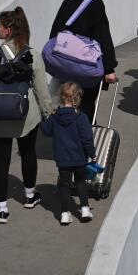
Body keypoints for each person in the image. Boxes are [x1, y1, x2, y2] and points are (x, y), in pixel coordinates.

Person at [0, 6, 53, 223]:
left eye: (0, 26)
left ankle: (2, 209)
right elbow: (41, 89)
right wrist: (47, 113)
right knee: (28, 153)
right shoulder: (32, 55)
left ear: (8, 30)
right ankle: (30, 196)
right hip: (26, 116)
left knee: (1, 162)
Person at [48, 0, 117, 120]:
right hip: (87, 66)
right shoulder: (96, 4)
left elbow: (54, 35)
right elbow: (102, 36)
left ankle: (66, 138)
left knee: (67, 103)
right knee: (85, 106)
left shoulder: (67, 2)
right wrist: (109, 68)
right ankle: (82, 140)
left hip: (66, 65)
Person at [40, 81, 97, 226]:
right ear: (77, 98)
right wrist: (92, 153)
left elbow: (46, 131)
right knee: (81, 182)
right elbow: (87, 138)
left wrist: (48, 116)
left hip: (62, 158)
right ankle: (84, 209)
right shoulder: (81, 117)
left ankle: (64, 214)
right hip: (79, 157)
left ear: (60, 97)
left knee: (64, 185)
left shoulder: (54, 117)